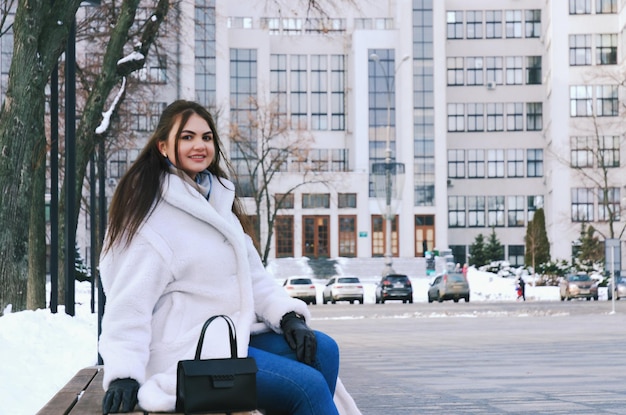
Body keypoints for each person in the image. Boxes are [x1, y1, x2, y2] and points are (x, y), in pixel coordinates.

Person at [98, 100, 342, 415]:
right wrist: (124, 374)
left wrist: (289, 317)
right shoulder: (151, 216)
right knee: (307, 387)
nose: (199, 145)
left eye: (206, 137)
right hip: (186, 351)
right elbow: (128, 305)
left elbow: (253, 277)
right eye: (187, 137)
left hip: (228, 337)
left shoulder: (217, 204)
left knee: (324, 351)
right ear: (162, 146)